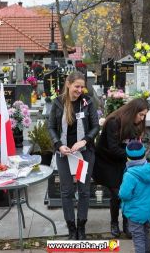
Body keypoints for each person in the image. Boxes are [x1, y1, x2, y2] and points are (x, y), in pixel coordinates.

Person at [48, 71, 100, 240]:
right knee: (66, 191)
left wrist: (84, 141)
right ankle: (71, 227)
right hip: (64, 154)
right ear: (68, 84)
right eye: (77, 86)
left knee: (84, 191)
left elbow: (95, 127)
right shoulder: (58, 103)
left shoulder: (87, 102)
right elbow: (51, 128)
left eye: (82, 87)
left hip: (83, 153)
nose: (80, 90)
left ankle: (81, 226)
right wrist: (58, 144)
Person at [92, 98, 149, 238]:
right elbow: (113, 149)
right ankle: (114, 223)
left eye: (144, 115)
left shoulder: (135, 124)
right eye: (141, 115)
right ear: (133, 112)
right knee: (117, 194)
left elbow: (133, 144)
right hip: (107, 162)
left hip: (123, 161)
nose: (142, 119)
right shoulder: (114, 122)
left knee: (127, 193)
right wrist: (134, 157)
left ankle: (126, 223)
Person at [119, 141, 150, 253]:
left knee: (138, 237)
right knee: (146, 233)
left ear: (128, 158)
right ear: (144, 154)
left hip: (135, 212)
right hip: (148, 211)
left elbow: (124, 194)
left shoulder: (129, 175)